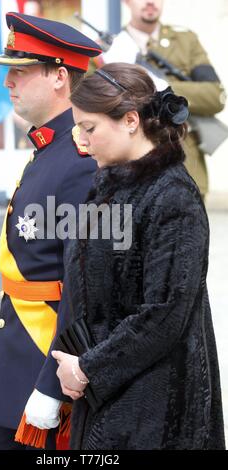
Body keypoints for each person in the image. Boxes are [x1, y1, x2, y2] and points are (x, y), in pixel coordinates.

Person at [52, 63, 226, 450]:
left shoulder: (173, 197)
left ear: (131, 120)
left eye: (89, 128)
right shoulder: (109, 185)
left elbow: (165, 314)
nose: (82, 141)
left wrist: (88, 368)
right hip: (106, 394)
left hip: (158, 409)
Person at [0, 12, 102, 450]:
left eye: (20, 70)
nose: (7, 82)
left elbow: (87, 285)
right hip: (20, 364)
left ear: (59, 76)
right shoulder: (50, 146)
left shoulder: (81, 159)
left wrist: (51, 387)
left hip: (47, 373)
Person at [102, 0, 226, 200]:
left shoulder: (186, 41)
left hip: (185, 166)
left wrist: (164, 87)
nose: (150, 2)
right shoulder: (110, 48)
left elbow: (215, 95)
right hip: (129, 169)